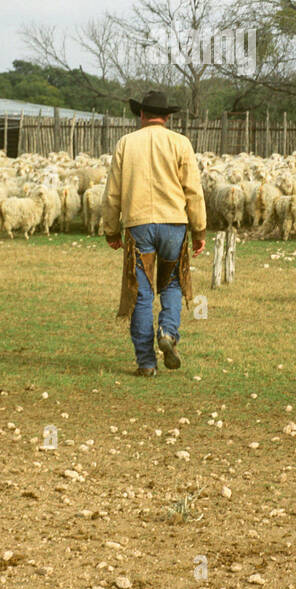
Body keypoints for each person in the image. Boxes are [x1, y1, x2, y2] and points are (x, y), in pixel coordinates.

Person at [101, 91, 206, 376]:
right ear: (167, 117)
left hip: (139, 225)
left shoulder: (126, 143)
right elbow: (193, 190)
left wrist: (111, 229)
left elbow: (112, 192)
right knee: (172, 283)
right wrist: (199, 229)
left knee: (141, 293)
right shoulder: (180, 143)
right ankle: (168, 334)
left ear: (141, 115)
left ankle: (146, 363)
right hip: (174, 223)